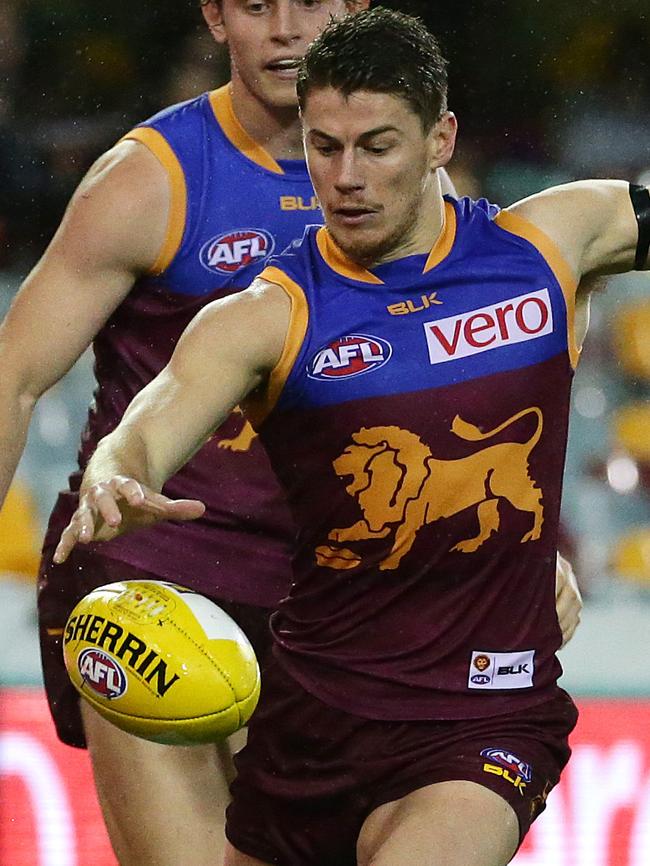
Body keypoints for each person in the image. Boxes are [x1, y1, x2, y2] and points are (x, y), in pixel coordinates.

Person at [54, 7, 645, 865]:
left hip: (483, 719)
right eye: (324, 146)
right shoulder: (267, 314)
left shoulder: (551, 242)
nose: (345, 177)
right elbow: (148, 424)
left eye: (377, 146)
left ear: (441, 137)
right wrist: (116, 472)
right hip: (315, 725)